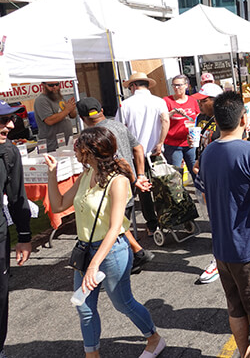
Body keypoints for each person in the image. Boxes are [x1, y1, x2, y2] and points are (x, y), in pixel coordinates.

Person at [45, 127, 165, 358]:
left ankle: (154, 338)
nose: (75, 150)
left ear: (90, 151)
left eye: (78, 145)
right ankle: (93, 355)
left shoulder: (118, 181)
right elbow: (59, 205)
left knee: (123, 303)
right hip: (86, 250)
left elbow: (114, 227)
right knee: (84, 308)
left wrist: (93, 265)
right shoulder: (85, 176)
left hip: (112, 251)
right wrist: (52, 174)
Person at [194, 91, 250, 358]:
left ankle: (243, 351)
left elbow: (206, 196)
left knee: (235, 306)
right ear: (244, 119)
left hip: (222, 247)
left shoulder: (208, 152)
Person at [75, 98, 155, 274]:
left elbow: (120, 160)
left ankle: (124, 260)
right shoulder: (117, 125)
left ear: (82, 118)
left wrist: (134, 179)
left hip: (112, 185)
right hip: (124, 182)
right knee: (118, 224)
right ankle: (136, 253)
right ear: (101, 109)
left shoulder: (97, 135)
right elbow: (138, 148)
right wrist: (138, 176)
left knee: (112, 227)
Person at [117, 72, 170, 235]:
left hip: (135, 154)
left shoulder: (125, 105)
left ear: (133, 86)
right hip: (156, 151)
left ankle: (152, 224)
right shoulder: (159, 101)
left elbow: (119, 128)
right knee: (161, 186)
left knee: (144, 190)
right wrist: (160, 142)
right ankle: (166, 219)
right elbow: (166, 121)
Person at [0, 102, 32, 358]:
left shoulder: (10, 152)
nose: (10, 125)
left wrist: (24, 236)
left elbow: (17, 196)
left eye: (10, 119)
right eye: (2, 121)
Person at [191, 82, 224, 284]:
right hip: (205, 175)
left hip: (217, 179)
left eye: (204, 100)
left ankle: (219, 260)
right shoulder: (204, 117)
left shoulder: (224, 122)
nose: (200, 104)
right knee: (214, 220)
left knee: (220, 221)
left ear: (214, 101)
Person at [163, 75, 200, 178]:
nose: (176, 88)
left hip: (191, 142)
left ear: (186, 86)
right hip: (173, 143)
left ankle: (199, 192)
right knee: (176, 175)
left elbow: (197, 116)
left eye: (179, 85)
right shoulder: (167, 101)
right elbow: (162, 119)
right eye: (174, 85)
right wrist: (172, 113)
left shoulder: (192, 100)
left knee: (195, 170)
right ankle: (179, 194)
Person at [34, 81, 76, 151]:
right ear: (43, 85)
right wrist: (67, 110)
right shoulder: (41, 100)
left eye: (57, 84)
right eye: (51, 85)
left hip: (66, 143)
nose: (55, 87)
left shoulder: (59, 97)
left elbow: (72, 116)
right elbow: (49, 120)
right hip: (52, 146)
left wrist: (71, 109)